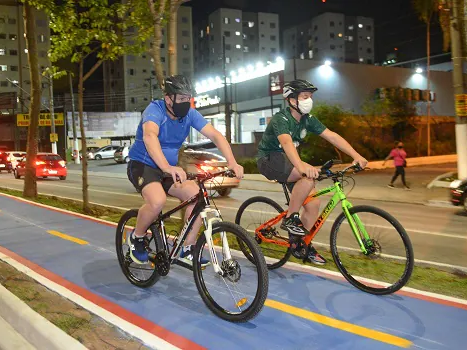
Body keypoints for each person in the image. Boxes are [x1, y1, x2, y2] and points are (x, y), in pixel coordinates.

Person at [126, 75, 244, 265]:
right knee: (157, 202)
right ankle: (137, 237)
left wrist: (232, 161)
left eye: (188, 98)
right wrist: (166, 167)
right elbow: (149, 136)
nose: (185, 103)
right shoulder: (155, 110)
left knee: (198, 198)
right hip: (143, 165)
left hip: (169, 168)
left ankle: (187, 248)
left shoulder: (189, 114)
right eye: (180, 98)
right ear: (168, 98)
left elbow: (215, 135)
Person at [256, 79, 368, 265]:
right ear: (292, 100)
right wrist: (301, 167)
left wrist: (356, 155)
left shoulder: (308, 119)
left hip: (289, 162)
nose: (310, 100)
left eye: (310, 97)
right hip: (269, 160)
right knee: (307, 176)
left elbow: (331, 135)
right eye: (305, 97)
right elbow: (286, 143)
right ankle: (291, 218)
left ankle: (300, 244)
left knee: (313, 204)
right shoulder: (281, 119)